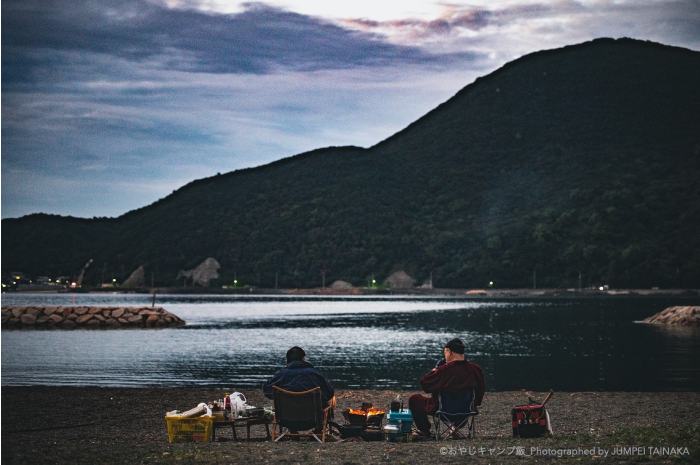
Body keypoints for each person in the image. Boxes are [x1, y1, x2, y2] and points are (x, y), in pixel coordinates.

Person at [409, 338, 485, 439]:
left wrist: (434, 370)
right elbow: (481, 390)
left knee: (415, 399)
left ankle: (424, 431)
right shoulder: (476, 369)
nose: (445, 356)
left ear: (449, 352)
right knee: (460, 401)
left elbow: (425, 384)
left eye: (445, 353)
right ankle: (455, 428)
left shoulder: (443, 370)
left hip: (444, 410)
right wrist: (474, 404)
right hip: (466, 410)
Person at [263, 346, 336, 408]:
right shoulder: (314, 373)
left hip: (286, 419)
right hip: (313, 418)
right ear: (303, 359)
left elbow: (267, 390)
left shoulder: (281, 374)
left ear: (287, 360)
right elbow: (329, 393)